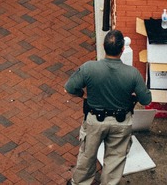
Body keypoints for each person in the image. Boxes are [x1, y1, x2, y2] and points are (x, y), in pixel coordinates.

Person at [65, 29, 152, 185]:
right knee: (114, 160)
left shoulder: (89, 68)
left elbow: (70, 88)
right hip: (121, 123)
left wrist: (82, 95)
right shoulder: (132, 73)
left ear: (104, 47)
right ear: (122, 49)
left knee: (87, 156)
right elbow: (146, 99)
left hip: (94, 121)